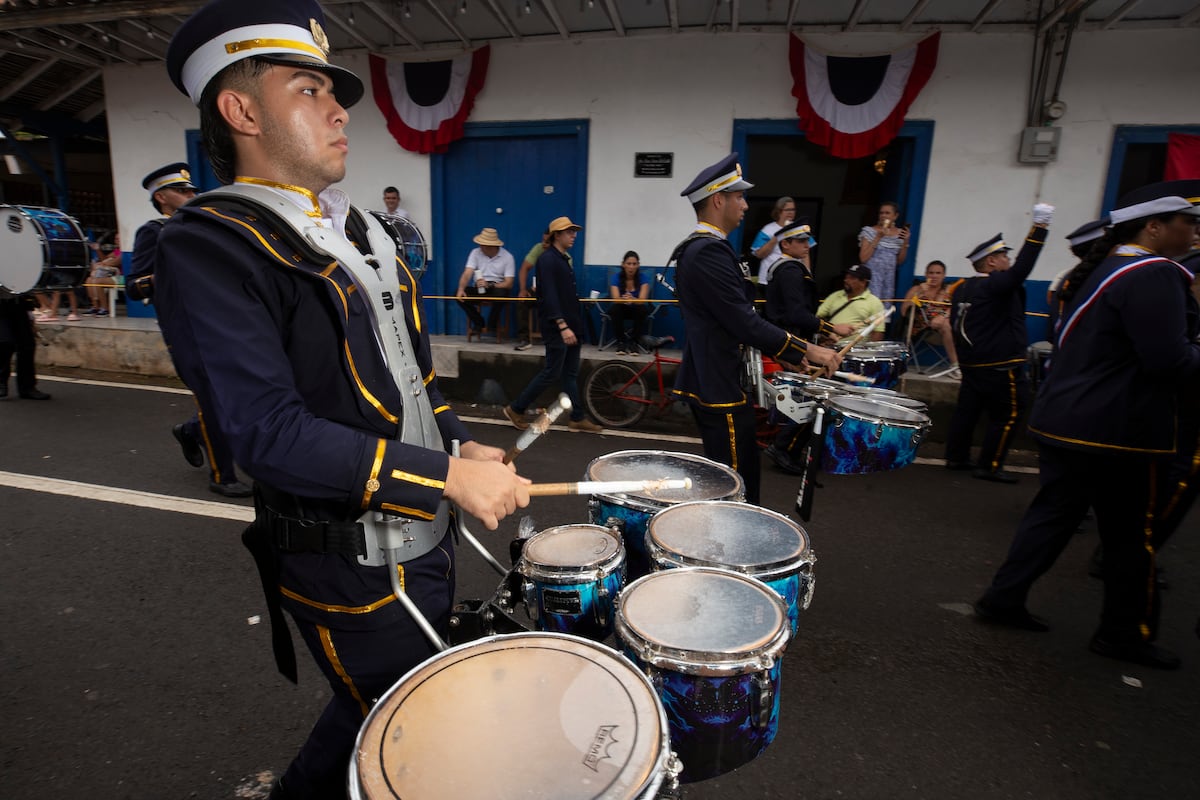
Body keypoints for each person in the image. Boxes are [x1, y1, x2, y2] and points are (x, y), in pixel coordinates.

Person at [160, 3, 530, 797]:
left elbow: (411, 377)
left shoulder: (363, 231)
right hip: (348, 563)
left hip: (423, 536)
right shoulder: (210, 243)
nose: (339, 110)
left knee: (384, 706)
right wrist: (448, 479)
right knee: (419, 731)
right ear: (241, 110)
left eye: (334, 93)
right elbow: (264, 432)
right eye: (308, 89)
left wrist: (459, 442)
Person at [974, 182, 1200, 670]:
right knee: (1129, 536)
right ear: (1155, 227)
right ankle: (1124, 633)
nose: (1195, 231)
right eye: (1188, 222)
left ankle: (1003, 598)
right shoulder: (1155, 273)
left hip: (1070, 420)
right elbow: (1167, 359)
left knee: (1053, 515)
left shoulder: (1107, 268)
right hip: (1116, 429)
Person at [670, 154, 840, 505]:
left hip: (721, 377)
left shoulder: (709, 250)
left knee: (735, 477)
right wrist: (806, 349)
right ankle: (730, 554)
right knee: (735, 489)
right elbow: (742, 321)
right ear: (718, 199)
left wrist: (787, 355)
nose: (745, 205)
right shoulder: (706, 253)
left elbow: (737, 319)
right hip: (718, 384)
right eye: (739, 197)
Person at [944, 206, 1052, 483]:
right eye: (1004, 256)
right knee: (1008, 415)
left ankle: (956, 457)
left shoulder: (964, 287)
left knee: (967, 413)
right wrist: (1039, 228)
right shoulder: (995, 285)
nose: (1008, 260)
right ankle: (990, 465)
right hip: (1001, 366)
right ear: (991, 262)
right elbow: (1022, 269)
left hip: (973, 364)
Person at [503, 217, 603, 432]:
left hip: (571, 325)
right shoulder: (547, 260)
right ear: (557, 235)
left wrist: (572, 325)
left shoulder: (562, 258)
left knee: (570, 374)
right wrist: (562, 325)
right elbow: (549, 295)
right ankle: (516, 408)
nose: (573, 235)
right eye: (569, 232)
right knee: (552, 372)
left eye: (574, 232)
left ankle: (577, 417)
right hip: (559, 327)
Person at [762, 219, 831, 474]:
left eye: (807, 240)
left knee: (805, 396)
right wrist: (829, 329)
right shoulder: (789, 270)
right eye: (800, 241)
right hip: (791, 341)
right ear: (786, 243)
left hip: (791, 339)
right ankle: (783, 448)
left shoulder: (789, 268)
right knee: (810, 398)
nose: (806, 245)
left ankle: (788, 447)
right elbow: (795, 314)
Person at [126, 162, 198, 303]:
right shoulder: (154, 231)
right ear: (161, 197)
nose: (192, 195)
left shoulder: (199, 226)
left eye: (192, 190)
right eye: (182, 191)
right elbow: (133, 287)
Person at [900, 259, 959, 374]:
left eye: (938, 273)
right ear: (926, 274)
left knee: (947, 324)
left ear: (944, 275)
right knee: (946, 325)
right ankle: (956, 365)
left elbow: (956, 307)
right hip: (924, 329)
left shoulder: (949, 290)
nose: (934, 276)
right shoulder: (916, 289)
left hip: (948, 328)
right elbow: (903, 311)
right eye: (931, 273)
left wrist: (943, 316)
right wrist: (919, 294)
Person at [454, 227, 515, 336]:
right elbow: (467, 272)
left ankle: (492, 323)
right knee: (458, 295)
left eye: (483, 245)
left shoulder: (507, 257)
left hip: (496, 287)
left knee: (503, 294)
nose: (480, 247)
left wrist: (490, 285)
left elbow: (509, 283)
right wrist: (461, 289)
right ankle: (478, 322)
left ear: (491, 246)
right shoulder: (475, 253)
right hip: (479, 287)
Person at [857, 201, 909, 308]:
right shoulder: (869, 231)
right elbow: (863, 258)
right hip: (872, 278)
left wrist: (905, 242)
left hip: (888, 279)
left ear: (895, 216)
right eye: (881, 213)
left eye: (887, 213)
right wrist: (878, 237)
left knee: (883, 313)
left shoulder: (900, 234)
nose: (883, 216)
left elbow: (899, 261)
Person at [0, 293, 50, 400]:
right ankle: (1, 382)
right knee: (5, 343)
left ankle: (27, 387)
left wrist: (29, 313)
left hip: (18, 303)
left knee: (27, 345)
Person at [816, 264, 885, 342]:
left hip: (856, 351)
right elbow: (816, 316)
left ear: (863, 282)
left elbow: (878, 332)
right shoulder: (835, 296)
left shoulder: (874, 302)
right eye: (846, 277)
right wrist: (824, 332)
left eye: (852, 278)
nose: (846, 280)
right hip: (829, 346)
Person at [512, 229, 550, 352]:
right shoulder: (539, 248)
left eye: (548, 241)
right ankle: (525, 340)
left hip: (556, 292)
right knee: (522, 300)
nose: (544, 244)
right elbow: (524, 268)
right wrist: (523, 289)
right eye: (543, 240)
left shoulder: (564, 256)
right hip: (539, 290)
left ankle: (554, 337)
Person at [608, 250, 650, 354]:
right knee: (615, 309)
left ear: (638, 265)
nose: (631, 267)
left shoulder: (643, 278)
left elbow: (642, 300)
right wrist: (624, 300)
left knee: (642, 309)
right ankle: (621, 342)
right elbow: (616, 299)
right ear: (623, 265)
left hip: (636, 309)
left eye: (634, 264)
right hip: (622, 308)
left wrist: (632, 299)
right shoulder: (616, 278)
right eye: (629, 264)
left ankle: (634, 343)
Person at [751, 196, 796, 293]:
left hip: (793, 278)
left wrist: (808, 274)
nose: (791, 212)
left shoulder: (799, 228)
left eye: (793, 209)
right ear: (779, 211)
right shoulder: (767, 230)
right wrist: (777, 236)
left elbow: (806, 253)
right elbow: (759, 254)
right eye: (787, 210)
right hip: (769, 280)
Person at [84, 233, 122, 317]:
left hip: (122, 277)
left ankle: (105, 308)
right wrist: (98, 249)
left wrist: (103, 263)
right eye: (116, 239)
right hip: (112, 276)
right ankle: (95, 306)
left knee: (98, 281)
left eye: (119, 239)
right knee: (89, 280)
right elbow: (104, 259)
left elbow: (116, 262)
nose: (117, 241)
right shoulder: (116, 251)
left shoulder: (125, 251)